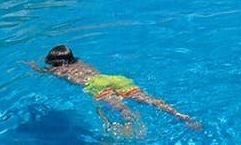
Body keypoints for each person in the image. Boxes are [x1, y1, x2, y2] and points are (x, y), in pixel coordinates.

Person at [31, 45, 200, 134]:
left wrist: (31, 65)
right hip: (114, 78)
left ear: (60, 63)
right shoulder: (80, 61)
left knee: (120, 108)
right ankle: (182, 116)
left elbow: (41, 70)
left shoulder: (58, 70)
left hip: (96, 86)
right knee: (149, 99)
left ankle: (133, 122)